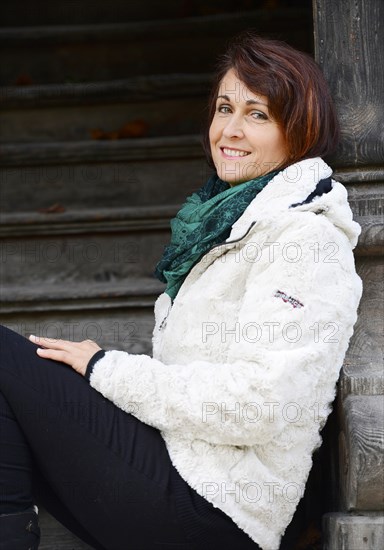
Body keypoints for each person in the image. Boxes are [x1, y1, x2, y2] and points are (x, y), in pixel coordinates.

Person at [0, 33, 362, 550]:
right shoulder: (228, 226)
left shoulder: (304, 239)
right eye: (224, 108)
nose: (230, 131)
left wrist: (106, 369)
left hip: (218, 509)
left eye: (257, 115)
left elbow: (258, 405)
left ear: (298, 132)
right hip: (180, 473)